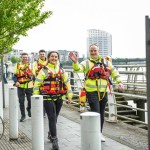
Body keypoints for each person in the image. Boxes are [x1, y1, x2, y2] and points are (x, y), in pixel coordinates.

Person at [69, 44, 124, 142]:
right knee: (96, 112)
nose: (93, 52)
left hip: (103, 92)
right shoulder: (86, 63)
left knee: (101, 113)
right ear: (89, 52)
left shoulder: (106, 62)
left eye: (95, 50)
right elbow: (78, 69)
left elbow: (114, 72)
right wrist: (75, 62)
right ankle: (96, 133)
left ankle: (99, 133)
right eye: (91, 51)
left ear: (98, 52)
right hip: (91, 92)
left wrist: (119, 82)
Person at [33, 51, 73, 150]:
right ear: (48, 58)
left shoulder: (62, 70)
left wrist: (69, 95)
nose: (54, 58)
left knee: (55, 118)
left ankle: (50, 133)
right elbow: (37, 84)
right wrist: (36, 98)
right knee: (51, 117)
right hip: (47, 97)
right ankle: (55, 140)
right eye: (52, 56)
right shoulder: (44, 70)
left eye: (56, 57)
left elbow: (67, 84)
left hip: (59, 97)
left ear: (58, 58)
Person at [13, 53, 34, 122]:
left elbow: (34, 75)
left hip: (29, 86)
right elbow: (14, 75)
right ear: (21, 58)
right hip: (20, 86)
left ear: (28, 58)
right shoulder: (17, 65)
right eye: (23, 57)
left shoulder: (31, 65)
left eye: (26, 57)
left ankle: (29, 108)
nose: (25, 58)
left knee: (30, 100)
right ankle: (23, 115)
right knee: (21, 101)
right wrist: (16, 81)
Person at [32, 49, 47, 117]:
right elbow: (33, 71)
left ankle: (45, 111)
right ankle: (42, 112)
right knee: (41, 97)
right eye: (41, 54)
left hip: (47, 82)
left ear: (45, 55)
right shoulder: (35, 63)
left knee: (47, 97)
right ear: (39, 55)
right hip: (39, 82)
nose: (42, 55)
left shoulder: (48, 62)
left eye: (43, 54)